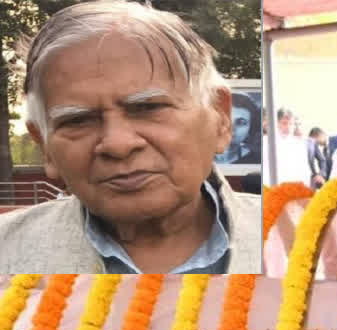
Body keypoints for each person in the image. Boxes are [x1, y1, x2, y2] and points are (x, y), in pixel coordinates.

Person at [0, 1, 261, 274]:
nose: (117, 144)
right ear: (45, 146)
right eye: (78, 120)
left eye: (148, 108)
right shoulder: (8, 252)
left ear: (220, 117)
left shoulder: (295, 239)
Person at [215, 92, 261, 165]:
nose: (230, 129)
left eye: (241, 122)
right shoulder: (196, 157)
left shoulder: (258, 159)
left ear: (250, 129)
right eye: (224, 120)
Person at [274, 107, 311, 185]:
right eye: (284, 123)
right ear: (276, 123)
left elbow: (304, 170)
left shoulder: (299, 144)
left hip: (295, 188)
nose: (288, 127)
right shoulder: (267, 142)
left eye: (291, 124)